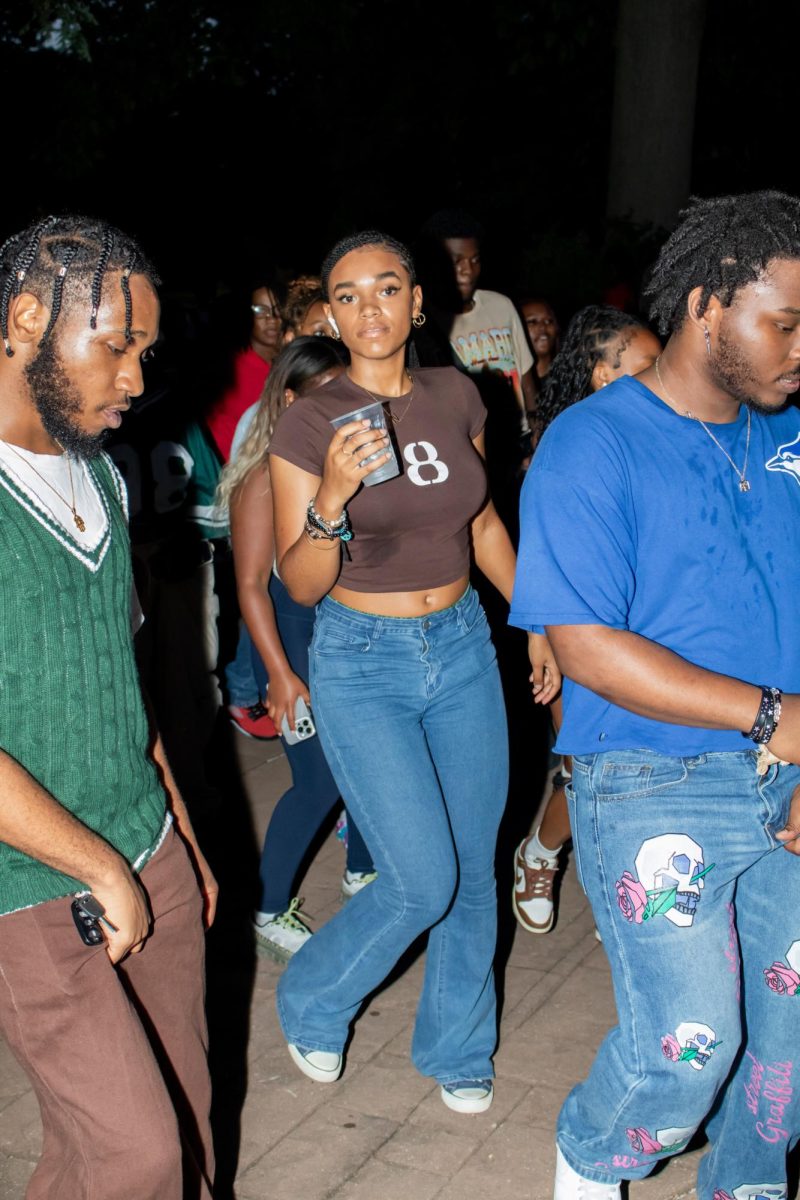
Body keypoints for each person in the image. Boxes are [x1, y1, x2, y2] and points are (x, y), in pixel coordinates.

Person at [510, 191, 800, 1200]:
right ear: (706, 306)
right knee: (687, 1049)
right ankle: (591, 1166)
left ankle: (746, 1187)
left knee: (787, 1056)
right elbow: (584, 646)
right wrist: (771, 716)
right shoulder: (592, 444)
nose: (797, 347)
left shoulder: (789, 436)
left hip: (789, 772)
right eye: (784, 322)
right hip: (649, 778)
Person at [268, 229, 559, 1113]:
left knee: (475, 866)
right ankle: (313, 997)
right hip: (363, 657)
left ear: (417, 300)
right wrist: (328, 502)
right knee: (420, 877)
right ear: (329, 311)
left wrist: (537, 618)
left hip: (466, 644)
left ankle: (457, 1046)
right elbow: (302, 579)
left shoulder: (458, 395)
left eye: (386, 288)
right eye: (348, 295)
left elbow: (480, 527)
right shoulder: (310, 418)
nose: (369, 309)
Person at [0, 215, 217, 1199]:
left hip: (144, 841)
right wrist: (98, 866)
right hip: (27, 887)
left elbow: (120, 681)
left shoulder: (99, 473)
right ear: (27, 319)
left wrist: (173, 834)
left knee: (182, 1122)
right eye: (115, 344)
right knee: (139, 1154)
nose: (134, 377)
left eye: (144, 351)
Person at [217, 337, 376, 962]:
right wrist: (279, 675)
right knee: (317, 780)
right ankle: (266, 905)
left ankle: (362, 870)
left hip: (335, 641)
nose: (342, 407)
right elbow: (250, 588)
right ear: (289, 400)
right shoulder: (262, 481)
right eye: (326, 393)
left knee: (364, 758)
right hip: (288, 648)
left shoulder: (331, 471)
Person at [513, 305, 661, 935]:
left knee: (648, 766)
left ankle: (618, 887)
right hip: (579, 632)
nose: (665, 377)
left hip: (647, 630)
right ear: (603, 374)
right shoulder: (568, 443)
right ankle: (541, 853)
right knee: (588, 767)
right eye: (647, 367)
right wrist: (538, 634)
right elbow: (541, 553)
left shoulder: (672, 431)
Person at [206, 280, 284, 740]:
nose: (272, 319)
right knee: (250, 594)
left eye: (278, 311)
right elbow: (225, 445)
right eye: (261, 310)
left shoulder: (287, 366)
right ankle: (242, 693)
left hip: (282, 492)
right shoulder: (235, 369)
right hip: (243, 498)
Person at [521, 296, 560, 383]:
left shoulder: (569, 378)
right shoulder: (512, 384)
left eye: (549, 321)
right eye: (532, 322)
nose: (543, 327)